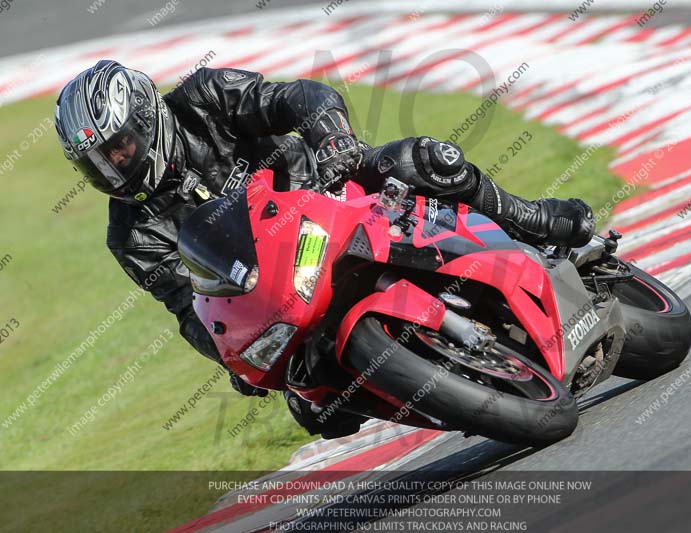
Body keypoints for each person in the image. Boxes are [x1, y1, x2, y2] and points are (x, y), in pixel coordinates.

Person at [54, 60, 595, 437]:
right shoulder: (131, 236)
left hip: (331, 193)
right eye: (95, 164)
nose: (113, 168)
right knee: (320, 410)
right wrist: (230, 358)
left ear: (146, 118)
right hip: (280, 293)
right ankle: (451, 394)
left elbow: (298, 97)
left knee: (425, 160)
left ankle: (532, 218)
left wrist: (330, 137)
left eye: (118, 148)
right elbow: (190, 309)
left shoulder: (202, 98)